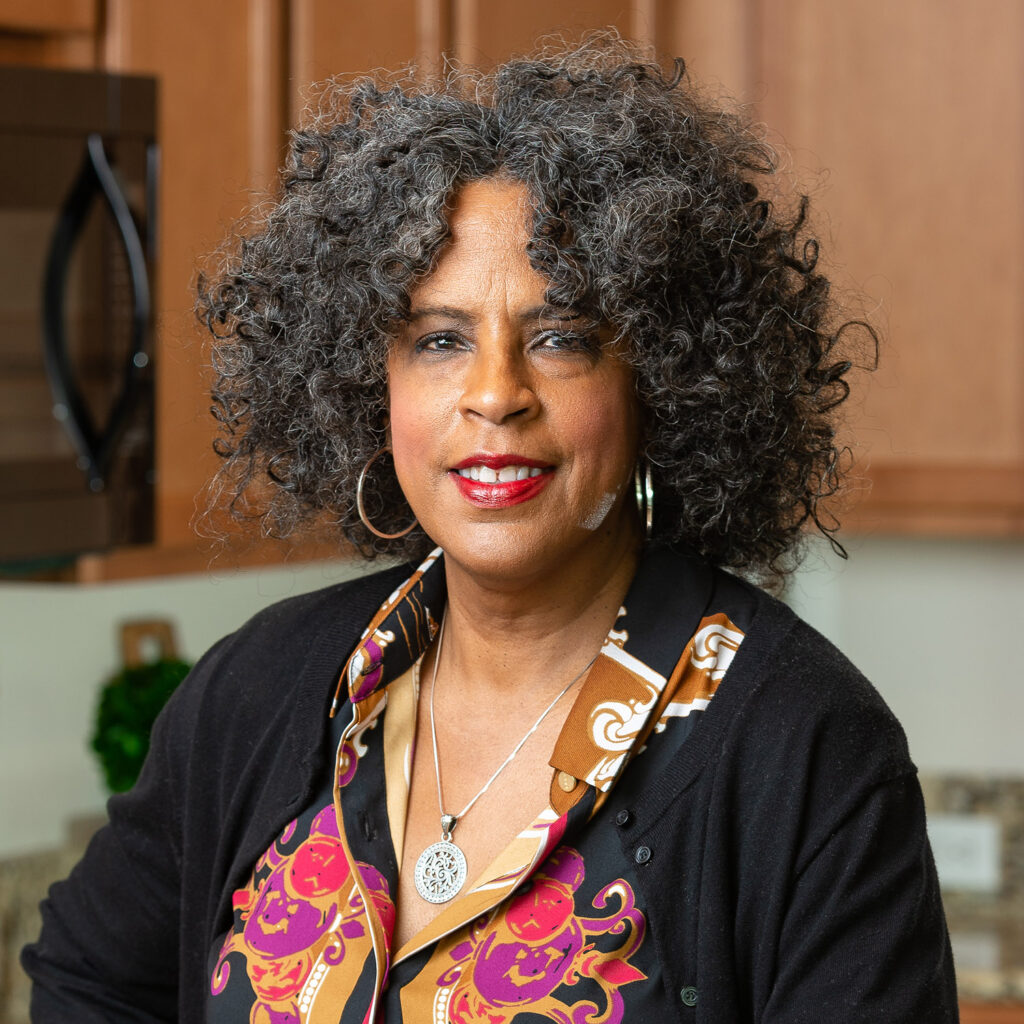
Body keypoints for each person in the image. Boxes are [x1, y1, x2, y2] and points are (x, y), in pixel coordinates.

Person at [23, 33, 958, 1023]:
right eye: (438, 339)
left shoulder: (803, 746)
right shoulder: (257, 688)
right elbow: (88, 981)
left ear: (662, 381)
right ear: (366, 383)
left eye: (558, 336)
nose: (494, 394)